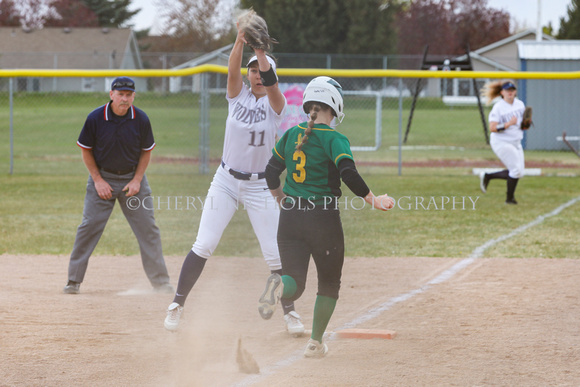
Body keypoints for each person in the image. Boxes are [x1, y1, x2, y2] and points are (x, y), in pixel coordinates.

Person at [163, 24, 305, 336]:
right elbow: (232, 70)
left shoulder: (275, 105)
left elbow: (271, 84)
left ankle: (290, 313)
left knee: (275, 253)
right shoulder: (236, 96)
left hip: (259, 186)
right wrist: (240, 41)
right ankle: (177, 304)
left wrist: (260, 53)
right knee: (205, 243)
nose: (256, 74)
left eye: (261, 71)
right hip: (225, 181)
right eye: (252, 70)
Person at [258, 76, 395, 358]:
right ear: (334, 105)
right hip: (323, 218)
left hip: (291, 217)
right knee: (329, 283)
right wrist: (374, 200)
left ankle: (278, 286)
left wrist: (282, 200)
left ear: (309, 102)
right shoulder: (334, 138)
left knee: (293, 283)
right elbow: (348, 174)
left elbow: (271, 173)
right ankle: (315, 343)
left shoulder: (290, 134)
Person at [64, 76, 173, 294]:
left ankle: (160, 282)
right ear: (111, 95)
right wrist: (97, 180)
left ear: (134, 96)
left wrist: (137, 180)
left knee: (148, 229)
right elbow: (86, 150)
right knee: (89, 226)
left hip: (133, 180)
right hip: (102, 179)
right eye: (120, 94)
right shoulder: (95, 118)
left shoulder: (141, 119)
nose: (124, 99)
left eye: (128, 95)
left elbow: (146, 152)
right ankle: (73, 281)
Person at [479, 79, 526, 204]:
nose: (510, 92)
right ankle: (509, 199)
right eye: (507, 90)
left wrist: (526, 124)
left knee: (519, 172)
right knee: (515, 170)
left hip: (516, 141)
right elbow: (493, 128)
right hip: (501, 142)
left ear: (515, 92)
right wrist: (508, 124)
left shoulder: (520, 104)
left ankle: (488, 176)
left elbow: (522, 124)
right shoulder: (498, 108)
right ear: (502, 93)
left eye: (512, 90)